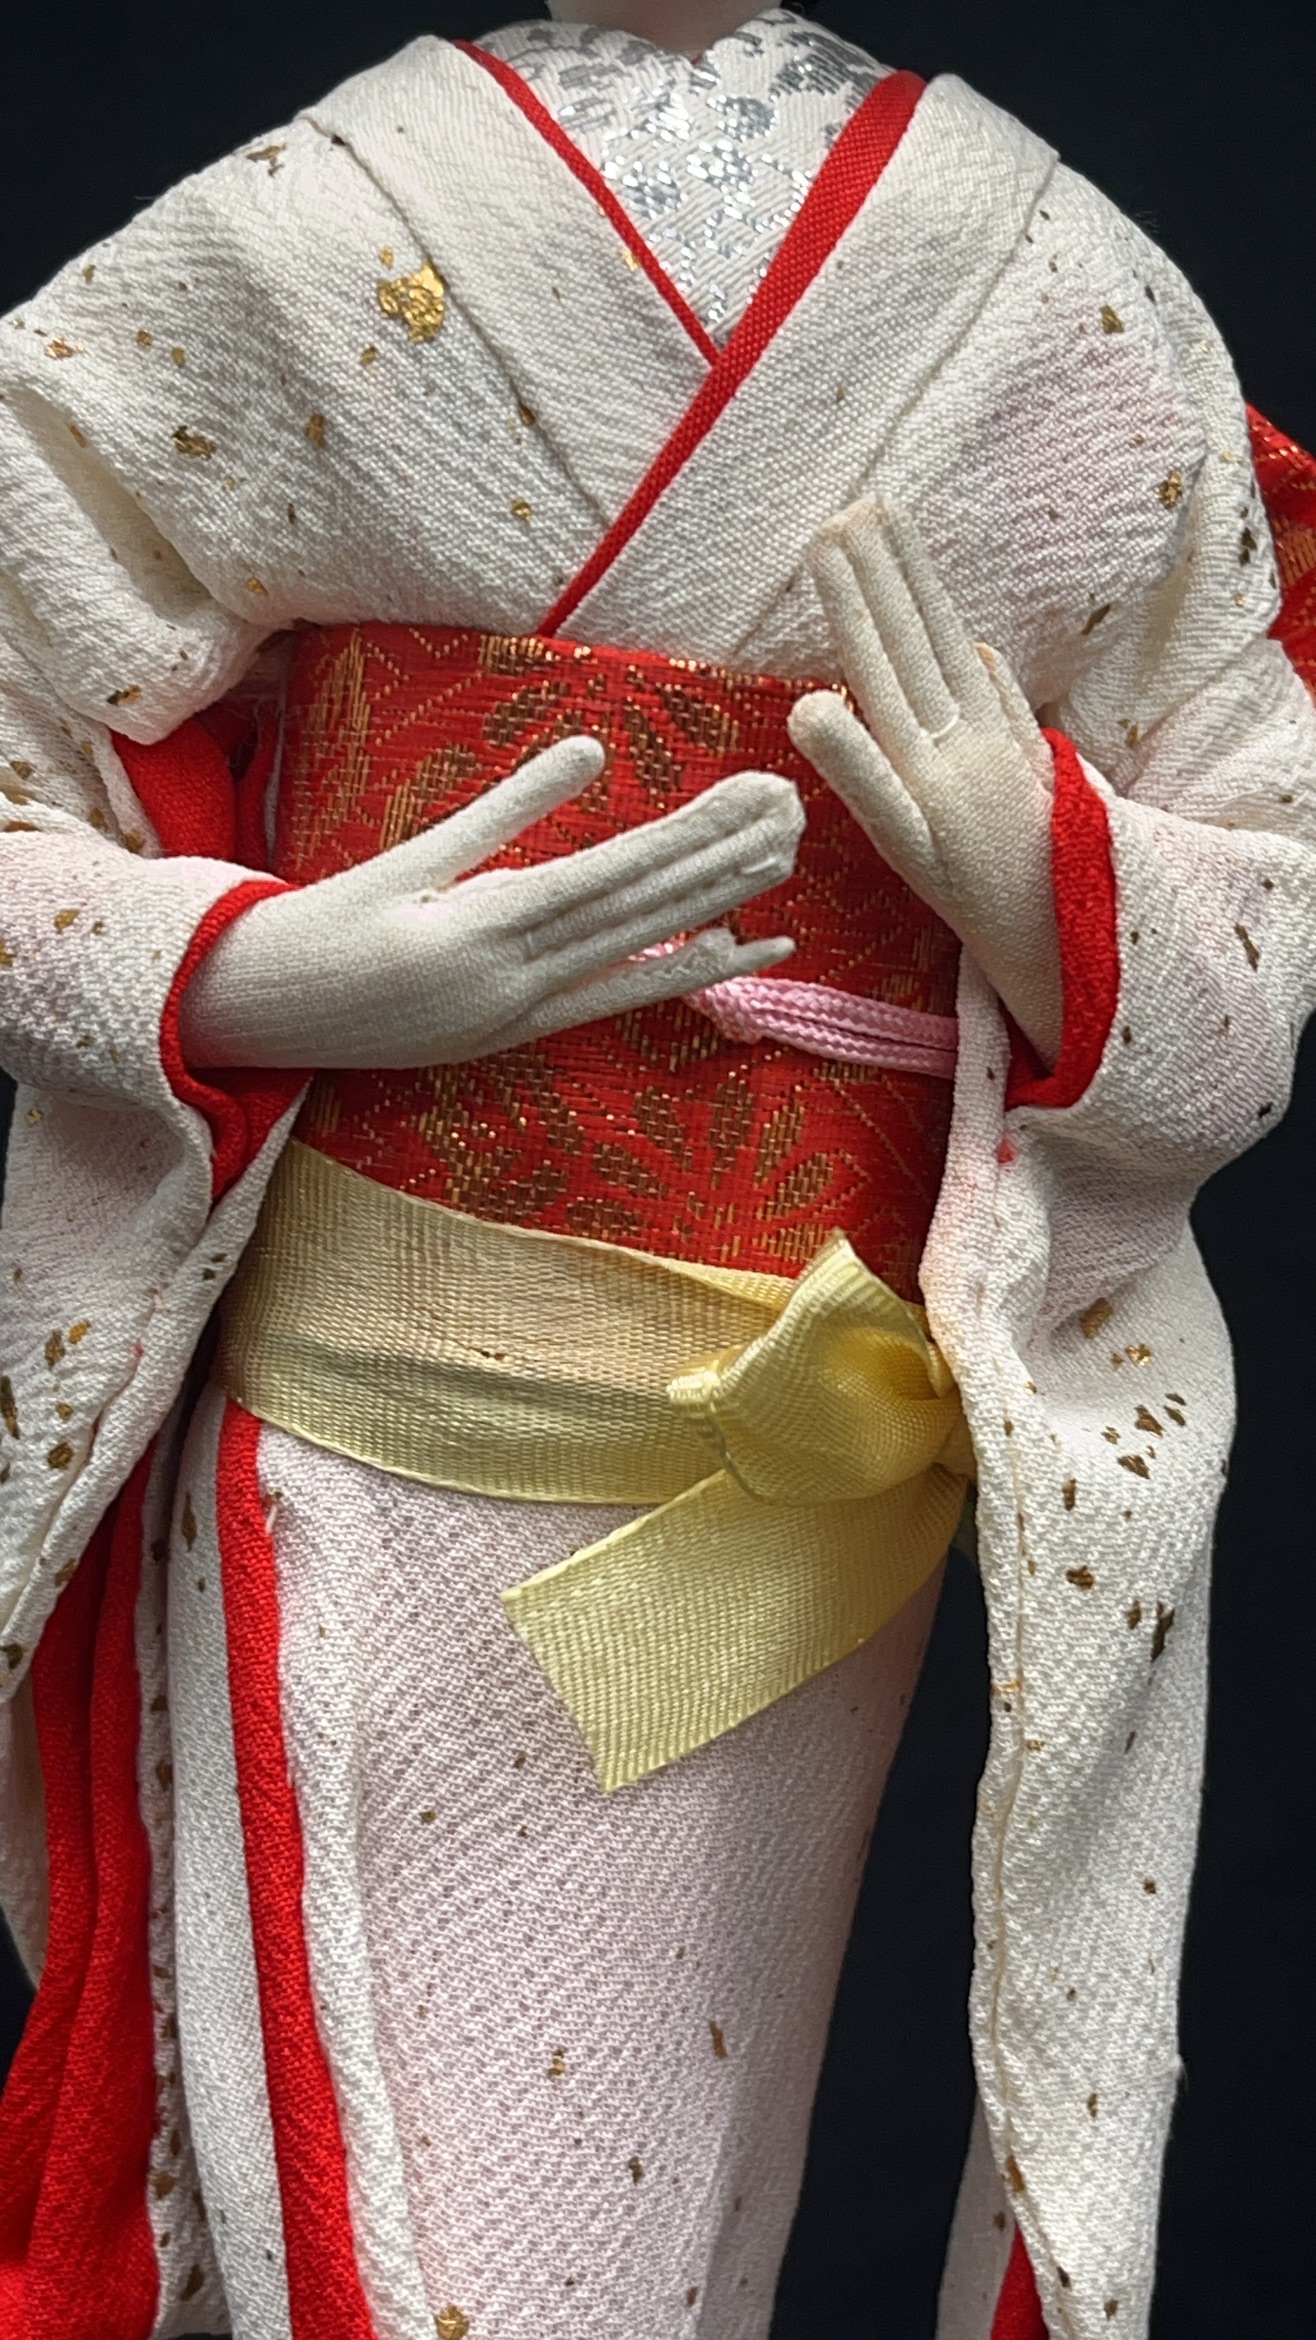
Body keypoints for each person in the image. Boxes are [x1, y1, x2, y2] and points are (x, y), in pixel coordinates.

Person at [0, 5, 1313, 2337]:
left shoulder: (1051, 284)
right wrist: (264, 969)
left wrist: (1045, 880)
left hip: (802, 1485)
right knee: (396, 2237)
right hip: (369, 1430)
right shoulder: (318, 228)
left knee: (680, 2203)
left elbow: (1262, 885)